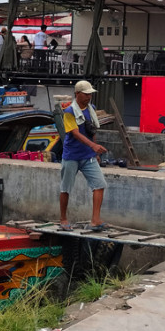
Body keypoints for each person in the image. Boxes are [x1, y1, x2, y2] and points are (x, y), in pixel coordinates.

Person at [59, 80, 108, 232]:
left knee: (100, 184)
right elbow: (75, 133)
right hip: (72, 155)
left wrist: (94, 151)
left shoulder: (91, 109)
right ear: (77, 94)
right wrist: (93, 146)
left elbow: (91, 130)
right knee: (66, 188)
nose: (89, 97)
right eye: (86, 94)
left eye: (90, 94)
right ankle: (63, 219)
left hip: (88, 156)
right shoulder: (69, 112)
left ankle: (95, 220)